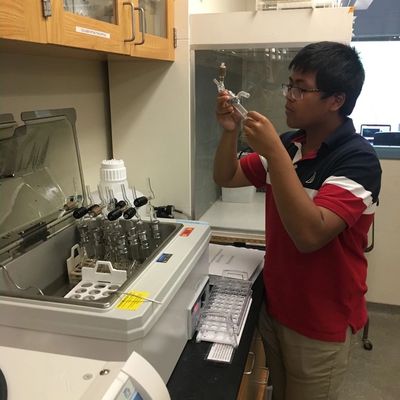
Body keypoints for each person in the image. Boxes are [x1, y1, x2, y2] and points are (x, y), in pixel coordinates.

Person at [213, 41, 382, 400]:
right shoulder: (290, 144)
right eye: (289, 85)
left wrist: (273, 153)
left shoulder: (358, 160)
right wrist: (230, 131)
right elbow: (226, 177)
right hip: (276, 309)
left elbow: (309, 234)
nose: (288, 96)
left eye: (300, 89)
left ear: (336, 100)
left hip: (321, 323)